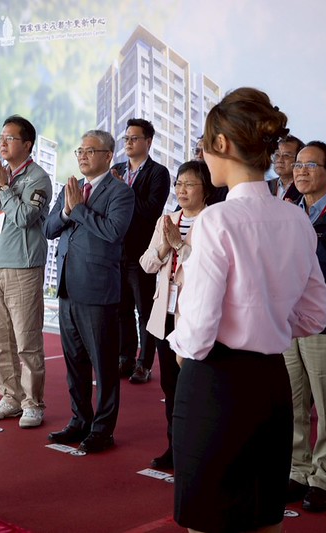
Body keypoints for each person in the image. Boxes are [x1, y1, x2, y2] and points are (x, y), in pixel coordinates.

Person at [167, 87, 326, 533]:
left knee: (210, 518)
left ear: (221, 145)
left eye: (203, 144)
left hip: (216, 384)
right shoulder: (295, 217)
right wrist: (268, 322)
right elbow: (314, 315)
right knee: (263, 517)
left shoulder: (217, 219)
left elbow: (197, 333)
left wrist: (180, 346)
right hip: (270, 384)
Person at [44, 130, 134, 453]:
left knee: (105, 366)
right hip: (68, 288)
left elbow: (113, 232)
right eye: (79, 150)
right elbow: (49, 228)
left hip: (98, 291)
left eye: (90, 151)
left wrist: (79, 210)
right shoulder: (71, 189)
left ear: (108, 156)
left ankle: (102, 429)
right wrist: (69, 210)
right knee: (75, 363)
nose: (82, 156)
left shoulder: (120, 192)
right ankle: (79, 420)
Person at [0, 115, 52, 429]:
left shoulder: (38, 178)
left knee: (27, 341)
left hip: (23, 269)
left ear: (27, 144)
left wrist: (4, 188)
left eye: (10, 138)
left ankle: (33, 403)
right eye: (0, 138)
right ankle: (10, 397)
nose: (2, 143)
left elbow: (23, 218)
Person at [139, 160, 214, 469]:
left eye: (189, 184)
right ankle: (175, 445)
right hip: (165, 313)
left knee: (198, 384)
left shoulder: (213, 221)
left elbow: (208, 269)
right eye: (179, 184)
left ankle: (201, 447)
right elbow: (146, 264)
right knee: (171, 385)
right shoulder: (167, 219)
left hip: (196, 315)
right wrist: (163, 248)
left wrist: (180, 246)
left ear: (206, 189)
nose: (182, 190)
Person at [283, 140, 326, 512]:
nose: (300, 170)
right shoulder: (287, 212)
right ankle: (298, 470)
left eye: (310, 164)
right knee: (294, 403)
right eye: (297, 164)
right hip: (287, 321)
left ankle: (325, 477)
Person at [111, 118, 170, 384]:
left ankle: (144, 363)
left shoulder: (158, 173)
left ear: (148, 141)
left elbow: (151, 211)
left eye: (134, 138)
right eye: (126, 138)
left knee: (145, 311)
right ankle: (125, 358)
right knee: (121, 309)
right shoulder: (117, 168)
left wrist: (123, 189)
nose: (129, 143)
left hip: (143, 253)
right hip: (116, 251)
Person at [267, 135, 304, 201]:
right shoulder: (266, 186)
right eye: (277, 155)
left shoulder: (304, 188)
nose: (280, 160)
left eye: (286, 155)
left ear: (299, 160)